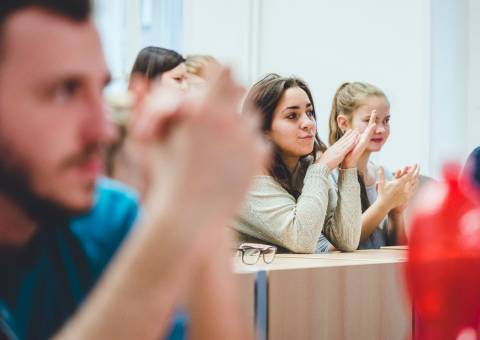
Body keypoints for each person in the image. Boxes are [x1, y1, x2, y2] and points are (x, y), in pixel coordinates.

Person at [0, 1, 267, 339]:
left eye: (98, 90)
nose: (103, 130)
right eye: (64, 91)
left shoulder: (106, 219)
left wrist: (207, 210)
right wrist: (179, 212)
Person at [233, 74, 376, 253]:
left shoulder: (307, 168)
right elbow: (303, 240)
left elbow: (347, 240)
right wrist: (320, 168)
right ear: (263, 128)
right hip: (246, 280)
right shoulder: (247, 178)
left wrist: (348, 167)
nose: (308, 123)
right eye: (292, 116)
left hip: (286, 278)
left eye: (309, 113)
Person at [328, 82, 419, 248]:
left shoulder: (383, 175)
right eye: (370, 121)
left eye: (386, 121)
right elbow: (334, 246)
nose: (381, 129)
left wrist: (396, 212)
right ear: (343, 123)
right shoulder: (329, 176)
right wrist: (383, 204)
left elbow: (397, 248)